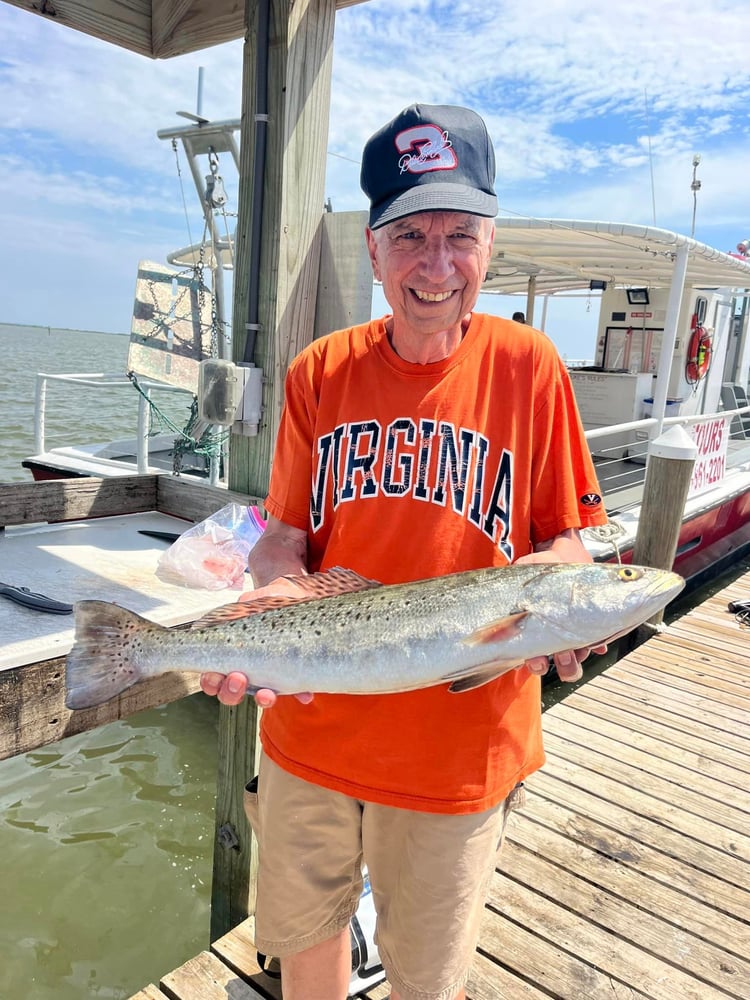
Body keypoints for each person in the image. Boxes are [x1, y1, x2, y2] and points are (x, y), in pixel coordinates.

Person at [201, 103, 608, 1000]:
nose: (437, 264)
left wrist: (573, 597)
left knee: (428, 979)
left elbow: (569, 540)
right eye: (411, 234)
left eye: (460, 234)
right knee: (307, 957)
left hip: (460, 747)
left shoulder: (531, 368)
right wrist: (270, 596)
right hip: (309, 726)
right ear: (375, 251)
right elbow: (284, 537)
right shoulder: (318, 371)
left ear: (490, 244)